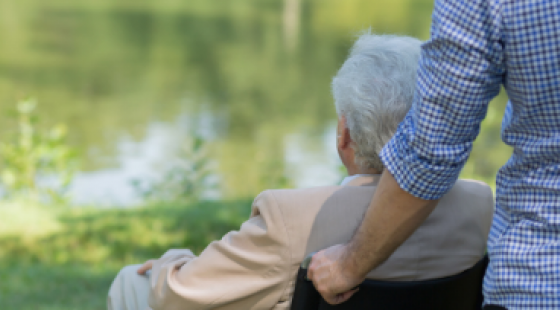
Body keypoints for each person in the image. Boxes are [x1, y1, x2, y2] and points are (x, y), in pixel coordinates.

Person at [107, 33, 494, 310]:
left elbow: (177, 295)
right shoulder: (479, 204)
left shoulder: (290, 218)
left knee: (131, 284)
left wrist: (171, 260)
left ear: (344, 134)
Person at [307, 1, 560, 309]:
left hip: (546, 278)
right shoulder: (478, 204)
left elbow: (432, 153)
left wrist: (348, 266)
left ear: (344, 134)